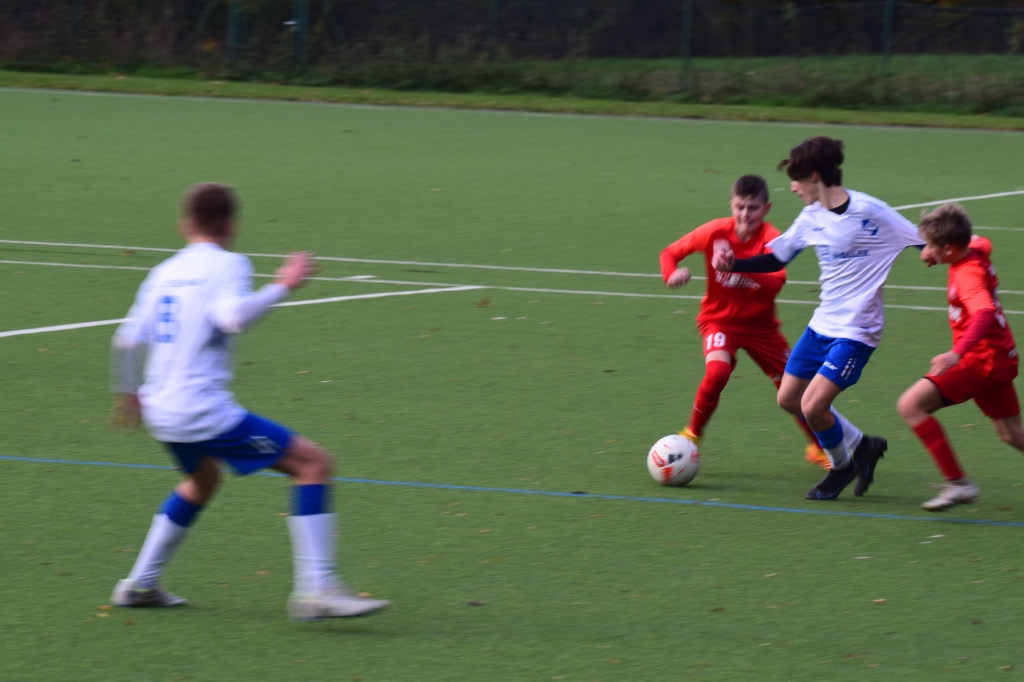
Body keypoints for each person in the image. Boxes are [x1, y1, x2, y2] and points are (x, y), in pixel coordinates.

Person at [109, 182, 389, 620]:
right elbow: (233, 318)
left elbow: (125, 341)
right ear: (231, 226)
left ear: (186, 225)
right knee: (313, 464)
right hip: (201, 412)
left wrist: (128, 394)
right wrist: (285, 284)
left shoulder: (163, 271)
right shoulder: (229, 264)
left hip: (161, 410)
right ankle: (317, 589)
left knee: (202, 480)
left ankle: (140, 584)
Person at [712, 136, 923, 500]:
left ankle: (841, 466)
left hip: (857, 331)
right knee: (789, 399)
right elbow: (777, 258)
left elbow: (924, 241)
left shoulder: (871, 211)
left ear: (813, 176)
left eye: (796, 179)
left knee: (813, 406)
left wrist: (969, 254)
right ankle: (863, 446)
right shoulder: (811, 216)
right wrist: (735, 264)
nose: (793, 188)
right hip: (821, 325)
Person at [659, 174, 830, 469]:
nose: (745, 214)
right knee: (717, 372)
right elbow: (670, 252)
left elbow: (776, 282)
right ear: (731, 205)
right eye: (740, 207)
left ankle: (817, 448)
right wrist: (671, 274)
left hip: (762, 330)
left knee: (795, 390)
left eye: (753, 208)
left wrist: (736, 267)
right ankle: (692, 435)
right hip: (719, 322)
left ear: (766, 209)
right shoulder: (714, 232)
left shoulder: (771, 238)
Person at [896, 203, 1024, 511]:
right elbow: (981, 240)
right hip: (999, 355)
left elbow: (984, 312)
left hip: (980, 360)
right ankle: (958, 484)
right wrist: (933, 252)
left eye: (931, 246)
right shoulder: (976, 247)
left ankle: (957, 484)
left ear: (950, 249)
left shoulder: (968, 275)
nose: (926, 252)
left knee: (911, 405)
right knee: (1012, 434)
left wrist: (957, 353)